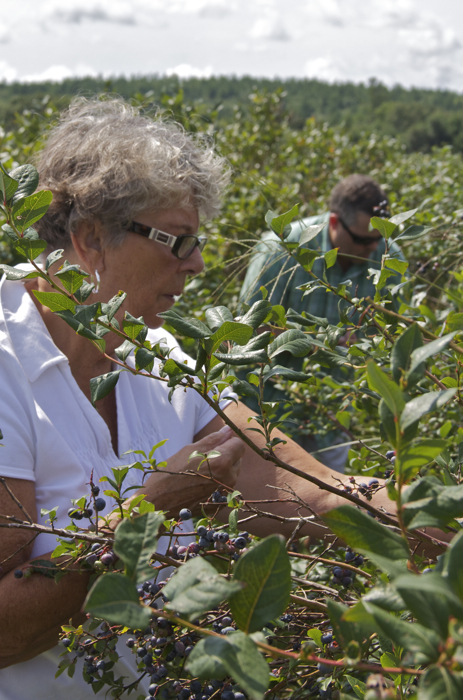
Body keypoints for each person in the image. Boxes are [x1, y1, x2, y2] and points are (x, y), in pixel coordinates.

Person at [0, 99, 393, 698]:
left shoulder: (158, 355)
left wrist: (432, 518)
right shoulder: (8, 365)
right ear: (89, 241)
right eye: (178, 241)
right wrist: (146, 512)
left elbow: (303, 485)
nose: (200, 264)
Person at [240, 175, 407, 471]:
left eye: (379, 237)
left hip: (333, 412)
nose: (372, 248)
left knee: (331, 500)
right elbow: (249, 329)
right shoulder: (282, 250)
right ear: (333, 222)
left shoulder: (387, 258)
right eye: (363, 239)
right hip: (272, 409)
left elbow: (394, 336)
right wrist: (319, 344)